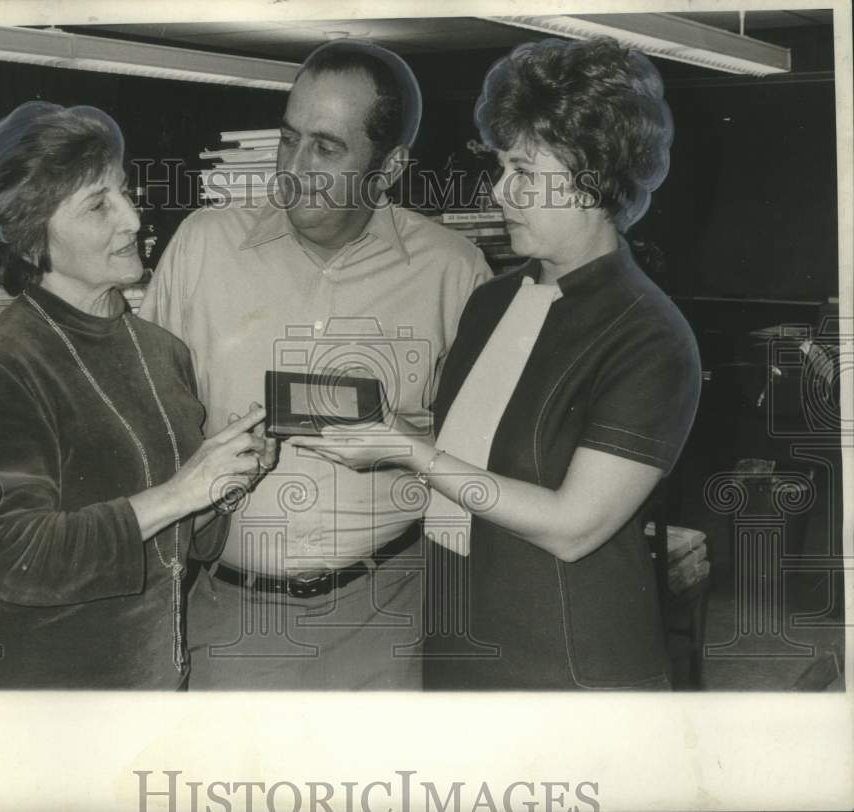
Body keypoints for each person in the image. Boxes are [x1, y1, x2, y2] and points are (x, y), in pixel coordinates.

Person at [292, 37, 702, 690]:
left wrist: (412, 452)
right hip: (459, 633)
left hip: (564, 663)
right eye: (502, 168)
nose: (501, 192)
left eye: (526, 174)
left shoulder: (650, 336)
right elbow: (478, 461)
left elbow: (574, 525)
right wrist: (392, 431)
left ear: (596, 181)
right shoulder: (492, 300)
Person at [140, 40, 492, 690]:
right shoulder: (200, 249)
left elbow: (483, 466)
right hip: (231, 622)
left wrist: (403, 443)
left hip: (390, 619)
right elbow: (140, 430)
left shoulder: (454, 273)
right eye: (288, 138)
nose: (294, 168)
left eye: (326, 148)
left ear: (388, 168)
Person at [0, 101, 276, 689]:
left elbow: (179, 545)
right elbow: (14, 557)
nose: (133, 218)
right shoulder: (1, 364)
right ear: (29, 236)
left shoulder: (162, 349)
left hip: (149, 680)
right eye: (98, 205)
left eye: (123, 191)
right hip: (38, 695)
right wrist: (182, 490)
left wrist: (222, 487)